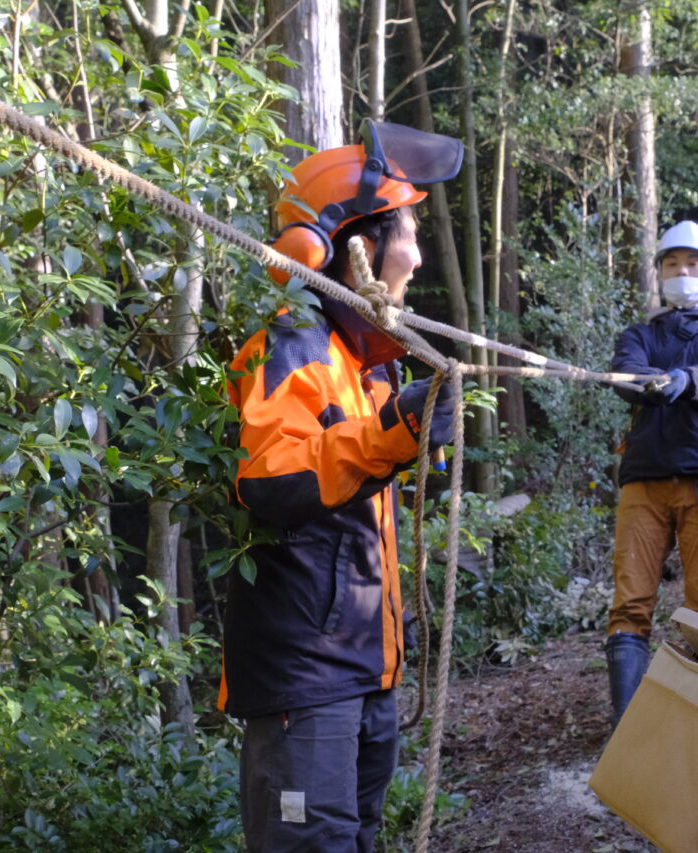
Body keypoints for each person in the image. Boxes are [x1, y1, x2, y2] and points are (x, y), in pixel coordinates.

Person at [216, 121, 462, 851]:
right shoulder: (289, 344)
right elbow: (272, 475)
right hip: (307, 675)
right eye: (404, 231)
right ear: (351, 245)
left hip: (366, 665)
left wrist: (419, 435)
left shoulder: (370, 363)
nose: (415, 255)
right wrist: (393, 431)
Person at [604, 220, 698, 726]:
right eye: (671, 264)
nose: (681, 272)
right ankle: (626, 725)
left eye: (691, 264)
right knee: (630, 601)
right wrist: (647, 382)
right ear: (659, 274)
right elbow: (625, 372)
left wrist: (684, 380)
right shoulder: (640, 334)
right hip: (643, 480)